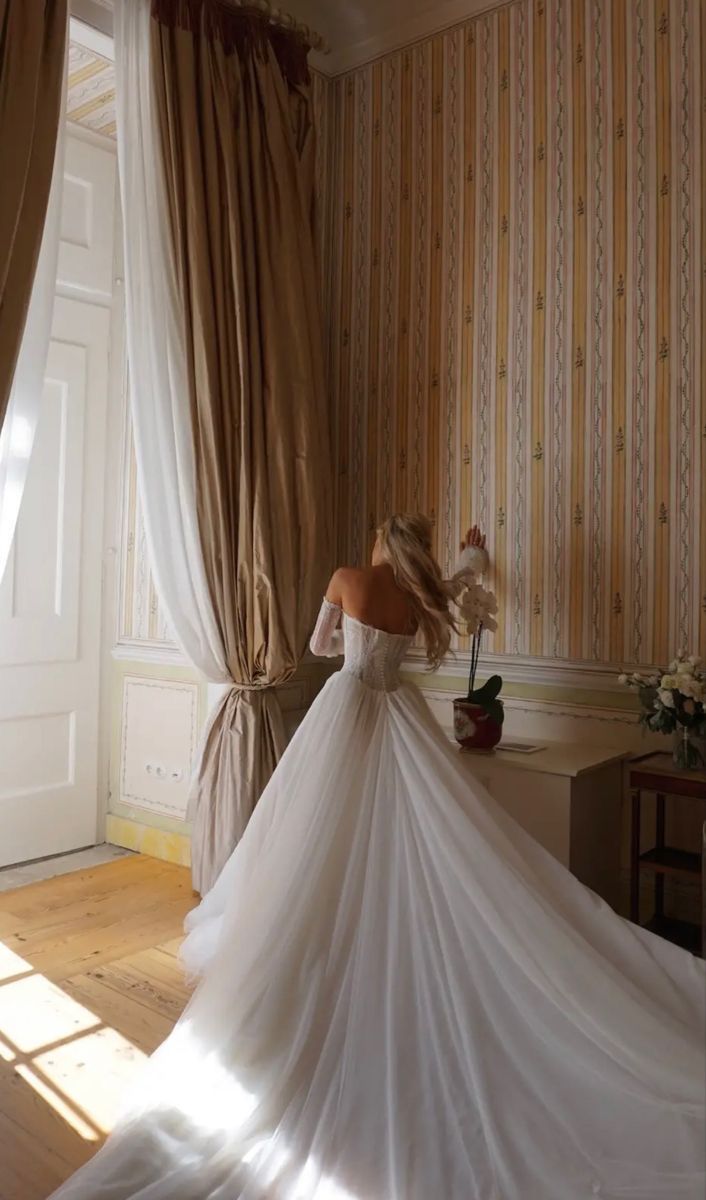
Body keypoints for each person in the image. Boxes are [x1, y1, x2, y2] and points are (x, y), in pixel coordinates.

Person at [51, 514, 705, 1200]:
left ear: (378, 542)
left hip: (347, 709)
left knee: (315, 836)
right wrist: (471, 559)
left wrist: (351, 631)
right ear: (413, 549)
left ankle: (323, 945)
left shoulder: (347, 579)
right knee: (399, 832)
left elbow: (320, 646)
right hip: (398, 713)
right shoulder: (417, 594)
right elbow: (451, 593)